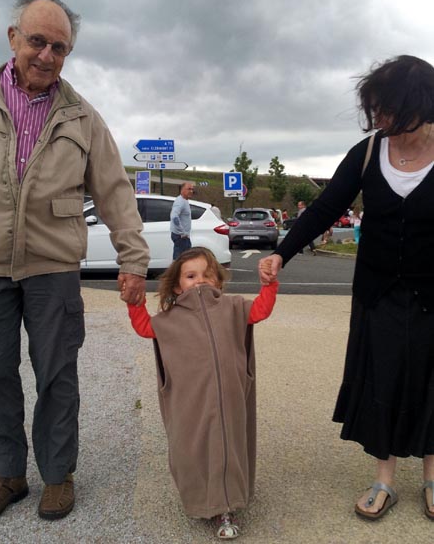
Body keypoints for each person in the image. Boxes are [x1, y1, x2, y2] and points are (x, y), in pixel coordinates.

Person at [259, 55, 434, 521]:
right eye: (374, 109)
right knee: (382, 378)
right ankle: (384, 479)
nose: (378, 118)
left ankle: (433, 477)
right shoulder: (368, 152)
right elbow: (324, 208)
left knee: (431, 379)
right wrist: (282, 252)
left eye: (386, 108)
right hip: (377, 291)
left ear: (418, 103)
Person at [0, 0, 150, 520]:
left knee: (57, 374)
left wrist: (133, 261)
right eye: (37, 41)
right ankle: (7, 472)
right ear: (13, 38)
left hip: (54, 267)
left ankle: (57, 475)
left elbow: (115, 192)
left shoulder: (83, 117)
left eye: (59, 47)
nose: (46, 55)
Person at [128, 247, 278, 539]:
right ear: (176, 286)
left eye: (208, 275)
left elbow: (260, 310)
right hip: (191, 402)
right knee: (193, 449)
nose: (200, 281)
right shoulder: (170, 319)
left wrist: (269, 285)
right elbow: (145, 327)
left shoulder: (233, 307)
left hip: (229, 399)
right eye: (191, 276)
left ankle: (227, 506)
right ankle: (200, 500)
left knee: (228, 446)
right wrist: (135, 303)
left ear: (218, 280)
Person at [170, 182, 194, 260]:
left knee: (183, 259)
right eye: (189, 189)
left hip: (183, 236)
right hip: (181, 237)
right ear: (182, 190)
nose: (191, 191)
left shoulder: (184, 201)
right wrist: (182, 232)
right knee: (180, 260)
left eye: (192, 189)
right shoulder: (180, 202)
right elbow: (174, 217)